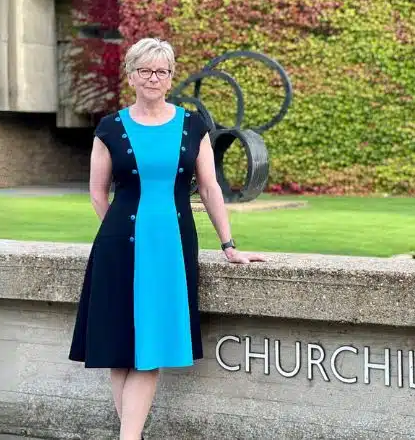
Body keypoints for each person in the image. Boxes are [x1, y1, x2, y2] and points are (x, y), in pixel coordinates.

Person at [67, 37, 266, 440]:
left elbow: (209, 188)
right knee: (119, 350)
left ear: (171, 76)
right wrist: (122, 233)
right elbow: (96, 192)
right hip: (118, 247)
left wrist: (229, 246)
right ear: (132, 75)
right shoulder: (110, 127)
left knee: (150, 350)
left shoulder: (193, 126)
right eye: (145, 71)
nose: (153, 78)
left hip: (172, 248)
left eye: (161, 71)